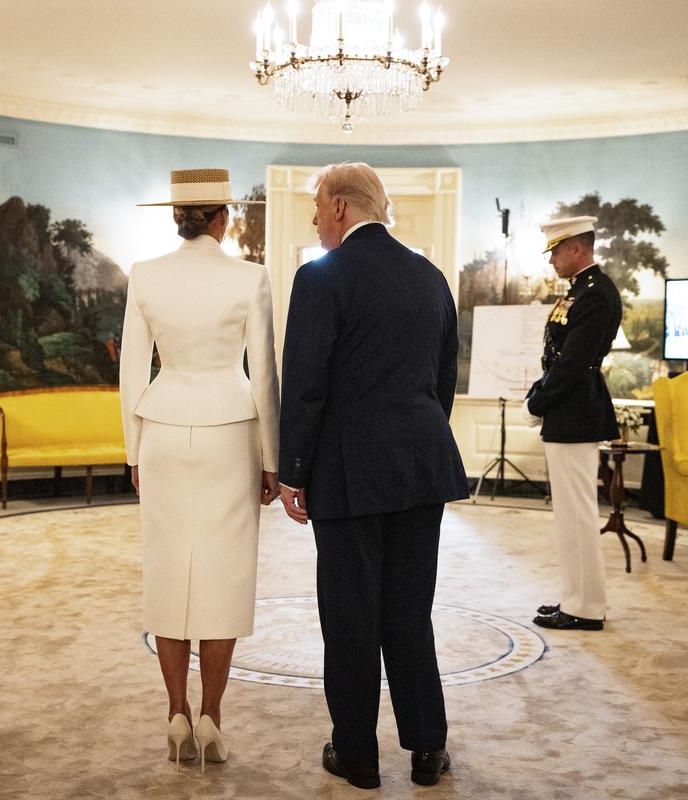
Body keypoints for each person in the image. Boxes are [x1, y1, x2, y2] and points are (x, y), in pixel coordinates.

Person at [277, 162, 468, 790]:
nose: (314, 220)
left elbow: (305, 385)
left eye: (315, 208)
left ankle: (357, 756)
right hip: (421, 466)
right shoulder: (431, 276)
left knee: (352, 617)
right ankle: (428, 751)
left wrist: (291, 471)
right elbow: (444, 380)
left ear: (337, 208)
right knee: (411, 613)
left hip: (347, 473)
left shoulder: (320, 277)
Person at [120, 168, 279, 772]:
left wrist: (134, 450)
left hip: (161, 427)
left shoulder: (146, 275)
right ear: (224, 218)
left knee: (167, 570)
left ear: (175, 218)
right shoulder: (250, 277)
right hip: (230, 430)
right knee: (222, 572)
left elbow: (132, 370)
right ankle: (212, 713)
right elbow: (263, 373)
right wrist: (272, 459)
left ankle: (175, 711)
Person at [524, 217, 622, 631]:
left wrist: (539, 400)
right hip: (569, 410)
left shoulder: (597, 295)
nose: (552, 261)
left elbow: (575, 362)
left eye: (556, 252)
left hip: (576, 411)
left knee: (578, 514)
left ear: (577, 249)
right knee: (569, 514)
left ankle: (586, 607)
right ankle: (575, 598)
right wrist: (540, 390)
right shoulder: (581, 291)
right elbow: (559, 356)